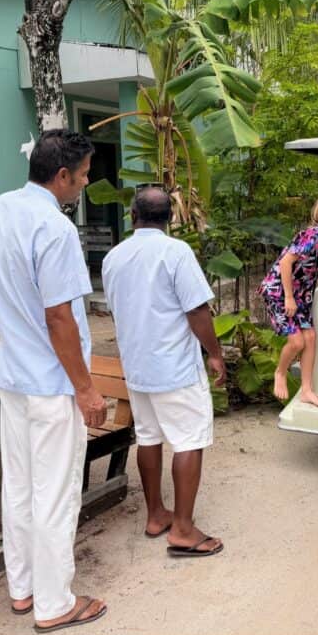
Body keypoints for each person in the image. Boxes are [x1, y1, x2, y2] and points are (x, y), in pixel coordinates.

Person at [0, 129, 109, 632]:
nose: (83, 185)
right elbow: (60, 317)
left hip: (14, 379)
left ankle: (23, 590)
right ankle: (56, 604)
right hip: (53, 386)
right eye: (82, 176)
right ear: (62, 176)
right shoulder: (55, 229)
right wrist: (85, 387)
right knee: (57, 495)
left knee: (18, 488)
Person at [101, 186, 226, 558]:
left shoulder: (113, 258)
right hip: (174, 368)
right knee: (189, 440)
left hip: (137, 366)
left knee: (149, 438)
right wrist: (215, 354)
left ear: (133, 216)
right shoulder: (176, 252)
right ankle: (184, 530)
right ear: (170, 219)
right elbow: (197, 311)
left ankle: (156, 514)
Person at [259, 192, 318, 408]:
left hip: (301, 294)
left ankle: (307, 390)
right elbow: (285, 263)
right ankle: (280, 372)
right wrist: (289, 297)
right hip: (280, 292)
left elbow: (311, 265)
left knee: (310, 337)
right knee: (297, 341)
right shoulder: (310, 235)